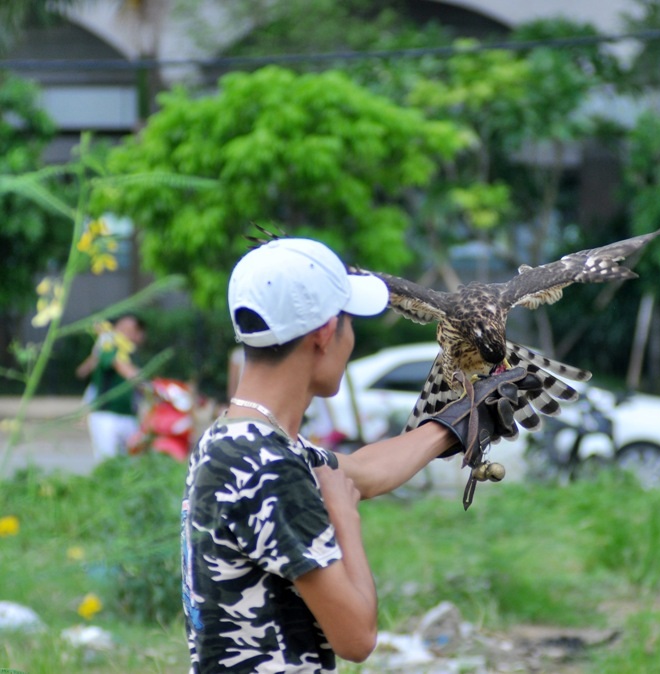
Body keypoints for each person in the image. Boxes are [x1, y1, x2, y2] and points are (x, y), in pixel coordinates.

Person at [181, 238, 537, 672]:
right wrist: (345, 518)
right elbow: (357, 636)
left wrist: (455, 425)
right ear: (326, 334)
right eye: (350, 324)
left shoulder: (235, 439)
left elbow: (361, 472)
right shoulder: (271, 469)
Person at [76, 314, 146, 460]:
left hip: (130, 416)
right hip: (107, 415)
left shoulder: (133, 353)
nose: (127, 333)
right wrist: (140, 380)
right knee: (108, 463)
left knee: (130, 465)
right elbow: (119, 365)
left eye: (131, 330)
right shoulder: (108, 347)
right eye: (124, 329)